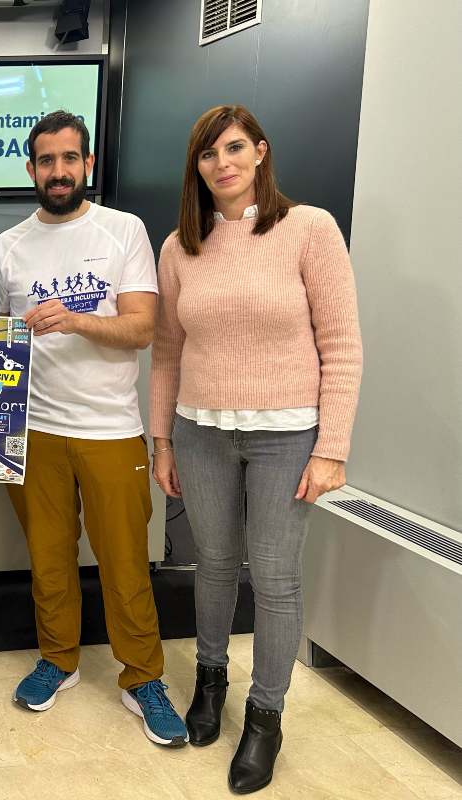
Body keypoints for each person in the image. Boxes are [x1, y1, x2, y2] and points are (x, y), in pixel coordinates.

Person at [150, 105, 362, 793]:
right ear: (198, 168)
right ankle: (211, 683)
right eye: (209, 155)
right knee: (212, 564)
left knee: (273, 578)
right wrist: (162, 440)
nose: (224, 164)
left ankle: (265, 717)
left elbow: (342, 347)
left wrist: (331, 448)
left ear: (261, 153)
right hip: (200, 431)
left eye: (236, 148)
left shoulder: (310, 229)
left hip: (287, 436)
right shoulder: (180, 245)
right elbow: (166, 353)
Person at [0, 111, 188, 748]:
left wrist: (74, 319)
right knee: (48, 560)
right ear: (31, 169)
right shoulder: (9, 246)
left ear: (87, 166)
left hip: (109, 430)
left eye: (69, 159)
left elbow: (141, 329)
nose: (57, 171)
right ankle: (59, 660)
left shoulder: (123, 230)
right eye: (45, 161)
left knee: (126, 564)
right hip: (33, 430)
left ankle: (142, 676)